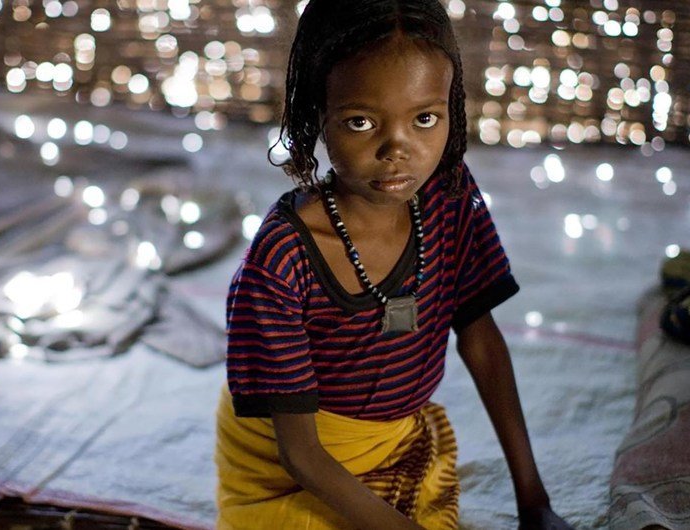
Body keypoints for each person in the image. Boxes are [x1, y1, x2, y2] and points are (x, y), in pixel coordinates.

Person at [214, 1, 573, 528]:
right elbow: (302, 454)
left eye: (425, 119)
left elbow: (481, 338)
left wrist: (535, 501)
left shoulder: (450, 196)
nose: (398, 150)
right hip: (290, 468)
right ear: (318, 114)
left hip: (396, 441)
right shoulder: (284, 258)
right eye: (360, 121)